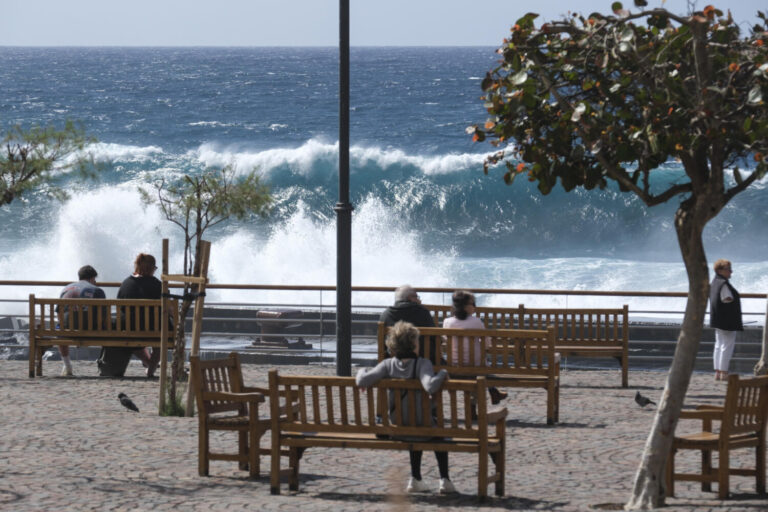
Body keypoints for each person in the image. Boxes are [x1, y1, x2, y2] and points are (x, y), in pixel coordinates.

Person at [356, 321, 456, 494]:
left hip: (397, 427)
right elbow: (430, 386)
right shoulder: (422, 364)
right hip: (423, 426)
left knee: (413, 426)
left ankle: (415, 479)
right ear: (414, 344)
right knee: (436, 430)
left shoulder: (387, 364)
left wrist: (361, 370)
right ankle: (444, 480)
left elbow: (362, 381)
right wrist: (442, 373)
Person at [443, 290, 507, 404]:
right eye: (473, 304)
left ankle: (494, 392)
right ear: (465, 306)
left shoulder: (447, 322)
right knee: (482, 365)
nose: (475, 307)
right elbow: (487, 343)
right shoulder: (476, 322)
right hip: (476, 366)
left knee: (480, 364)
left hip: (454, 364)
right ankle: (483, 400)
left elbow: (445, 340)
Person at [117, 253, 162, 377]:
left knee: (134, 338)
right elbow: (166, 306)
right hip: (153, 329)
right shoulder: (156, 284)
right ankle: (150, 370)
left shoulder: (126, 283)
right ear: (151, 268)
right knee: (159, 343)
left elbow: (120, 306)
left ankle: (148, 363)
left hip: (127, 329)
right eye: (155, 268)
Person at [57, 265, 106, 376]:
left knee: (60, 327)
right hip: (90, 330)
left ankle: (67, 364)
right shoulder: (97, 290)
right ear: (92, 278)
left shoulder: (66, 288)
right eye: (95, 279)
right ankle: (108, 365)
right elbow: (103, 315)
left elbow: (59, 312)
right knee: (110, 327)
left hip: (66, 330)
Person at [379, 284, 437, 363]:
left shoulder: (385, 315)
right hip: (422, 362)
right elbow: (435, 338)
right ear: (411, 298)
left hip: (394, 363)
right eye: (417, 297)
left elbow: (382, 345)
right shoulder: (423, 312)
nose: (419, 300)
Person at [709, 258, 743, 381]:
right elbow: (727, 298)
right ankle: (724, 372)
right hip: (727, 320)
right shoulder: (723, 284)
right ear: (720, 270)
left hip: (717, 318)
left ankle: (718, 372)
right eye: (728, 269)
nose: (731, 272)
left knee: (719, 345)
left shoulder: (715, 282)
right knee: (727, 346)